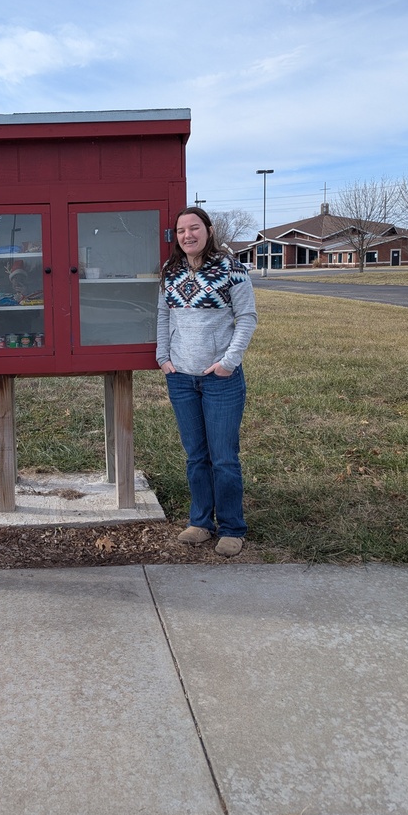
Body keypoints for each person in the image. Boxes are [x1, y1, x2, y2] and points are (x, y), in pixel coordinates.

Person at [156, 206, 257, 557]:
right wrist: (163, 358)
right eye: (181, 230)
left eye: (194, 228)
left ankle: (231, 527)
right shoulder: (170, 271)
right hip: (181, 378)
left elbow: (246, 318)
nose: (188, 235)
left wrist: (228, 363)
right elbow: (162, 315)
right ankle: (200, 522)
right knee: (195, 456)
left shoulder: (232, 268)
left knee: (224, 457)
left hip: (221, 380)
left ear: (209, 230)